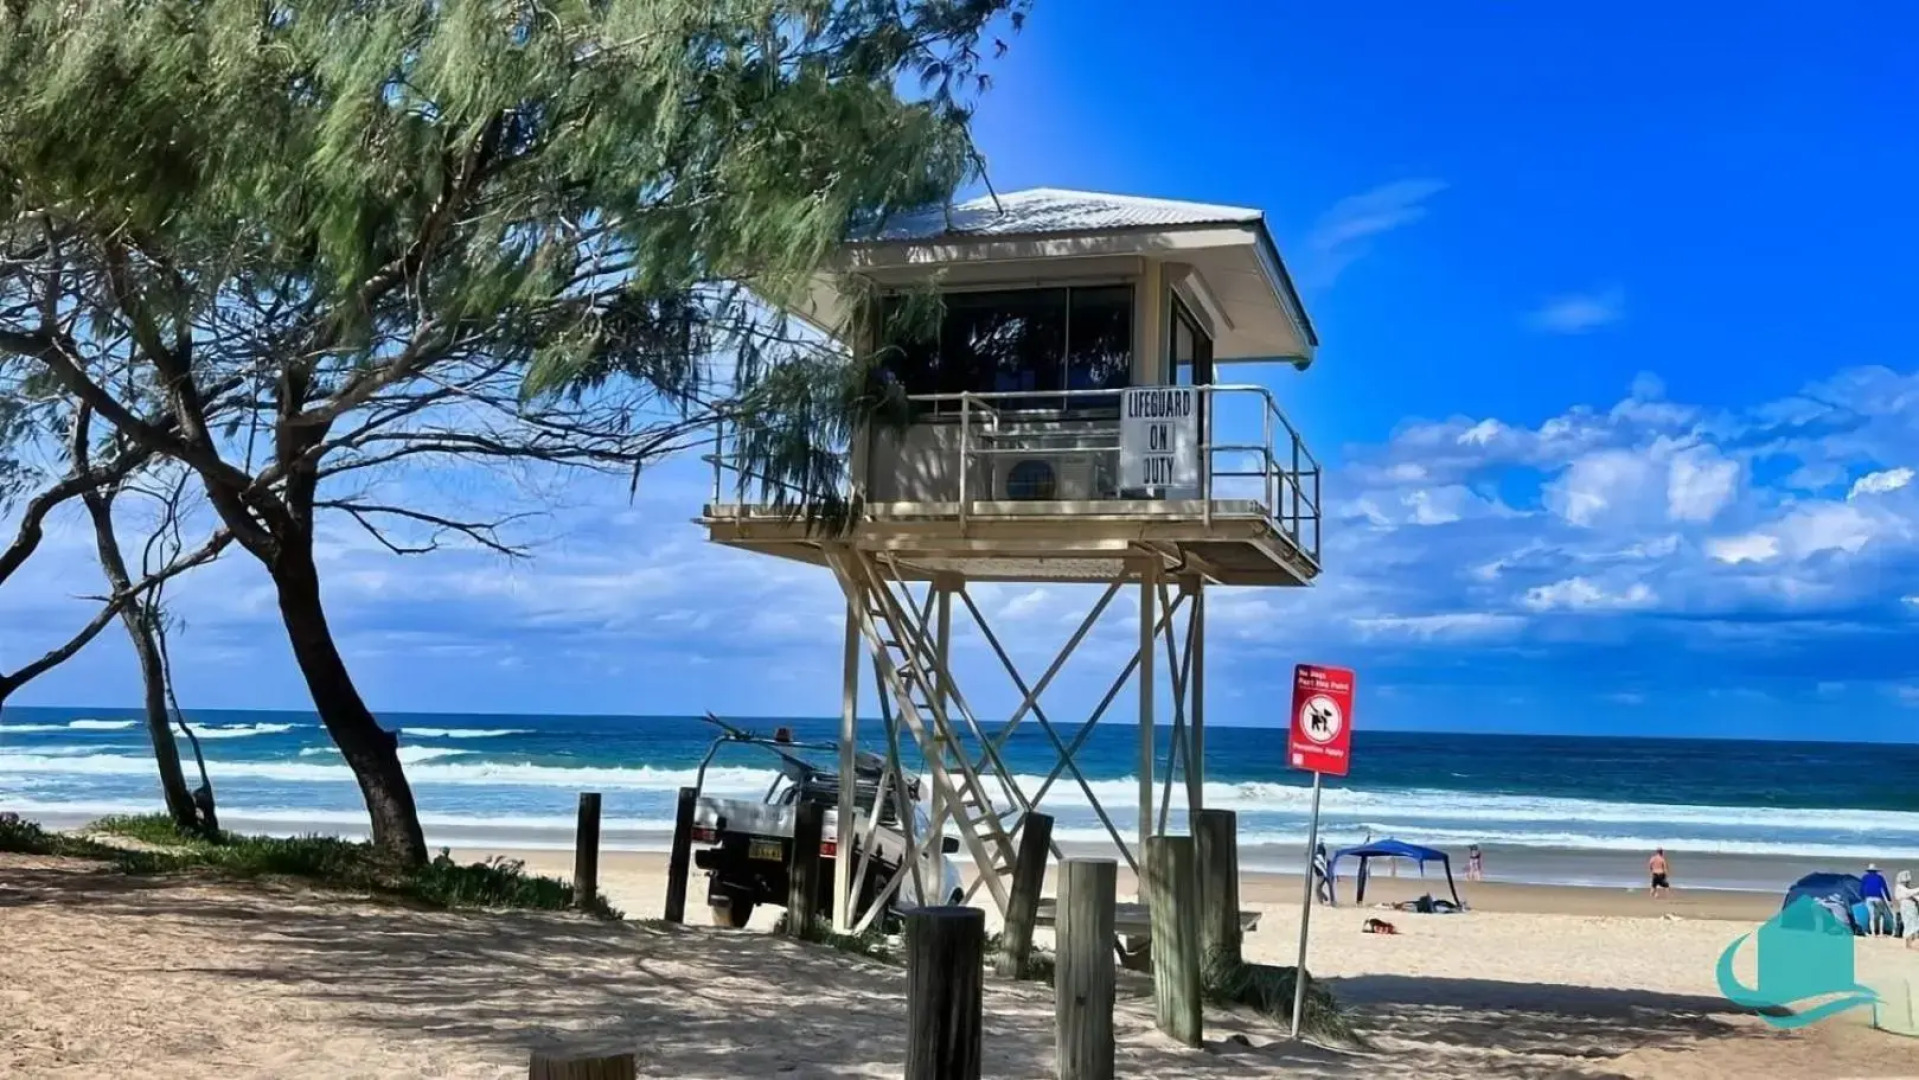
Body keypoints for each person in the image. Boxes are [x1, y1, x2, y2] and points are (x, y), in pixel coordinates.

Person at [1861, 863, 1895, 935]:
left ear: (1868, 871)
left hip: (1869, 898)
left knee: (1872, 916)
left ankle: (1873, 933)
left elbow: (1861, 889)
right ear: (1876, 871)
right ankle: (1881, 932)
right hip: (1878, 898)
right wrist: (1889, 900)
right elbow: (1885, 889)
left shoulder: (1865, 877)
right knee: (1881, 915)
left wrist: (1862, 898)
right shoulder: (1880, 877)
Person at [1895, 870, 1918, 950]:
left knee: (1913, 925)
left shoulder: (1903, 888)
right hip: (1907, 909)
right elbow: (1910, 893)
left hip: (1910, 909)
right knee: (1909, 925)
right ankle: (1909, 944)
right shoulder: (1900, 888)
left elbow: (1913, 895)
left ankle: (1911, 943)